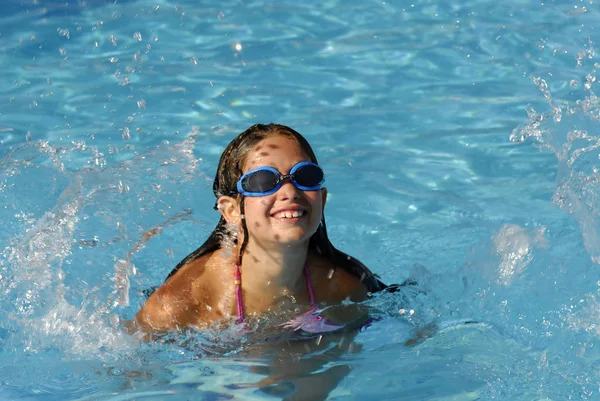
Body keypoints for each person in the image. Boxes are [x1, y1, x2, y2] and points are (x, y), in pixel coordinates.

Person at [134, 123, 391, 334]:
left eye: (305, 177)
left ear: (321, 199)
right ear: (232, 211)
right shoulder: (182, 302)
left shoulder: (341, 286)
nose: (290, 192)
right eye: (263, 181)